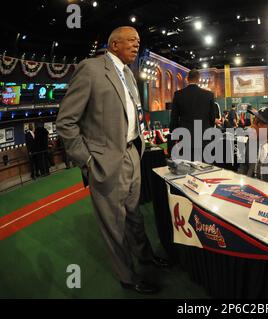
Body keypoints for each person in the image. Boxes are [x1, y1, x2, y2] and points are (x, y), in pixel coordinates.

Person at [56, 26, 168, 295]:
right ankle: (127, 276)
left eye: (138, 41)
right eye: (131, 40)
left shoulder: (129, 73)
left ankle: (145, 257)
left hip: (132, 153)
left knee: (134, 215)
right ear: (114, 44)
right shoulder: (91, 69)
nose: (136, 44)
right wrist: (88, 161)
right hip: (105, 162)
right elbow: (65, 122)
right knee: (113, 223)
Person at [170, 69, 216, 161]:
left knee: (187, 167)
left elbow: (174, 117)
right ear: (198, 79)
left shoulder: (178, 94)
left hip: (185, 137)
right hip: (204, 136)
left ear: (187, 79)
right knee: (204, 167)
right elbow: (212, 117)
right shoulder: (209, 95)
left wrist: (175, 135)